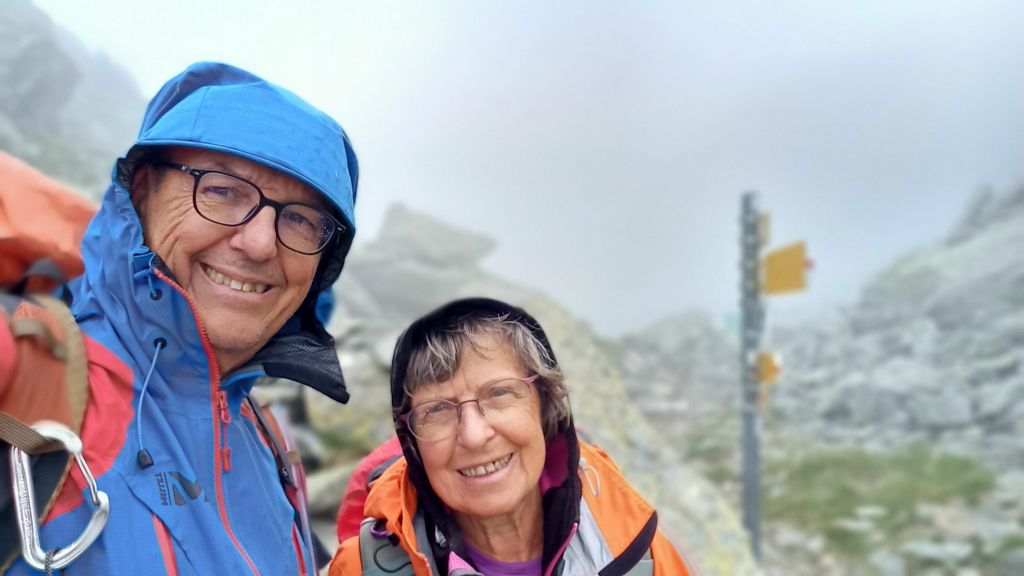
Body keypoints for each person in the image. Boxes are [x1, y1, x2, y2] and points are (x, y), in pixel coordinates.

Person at [4, 61, 358, 575]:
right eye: (221, 189)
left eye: (302, 220)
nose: (259, 243)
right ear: (143, 190)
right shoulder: (27, 373)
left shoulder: (272, 447)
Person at [329, 298, 697, 576]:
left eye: (500, 393)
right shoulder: (362, 568)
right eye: (437, 410)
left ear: (546, 408)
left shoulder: (634, 548)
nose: (474, 435)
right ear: (413, 446)